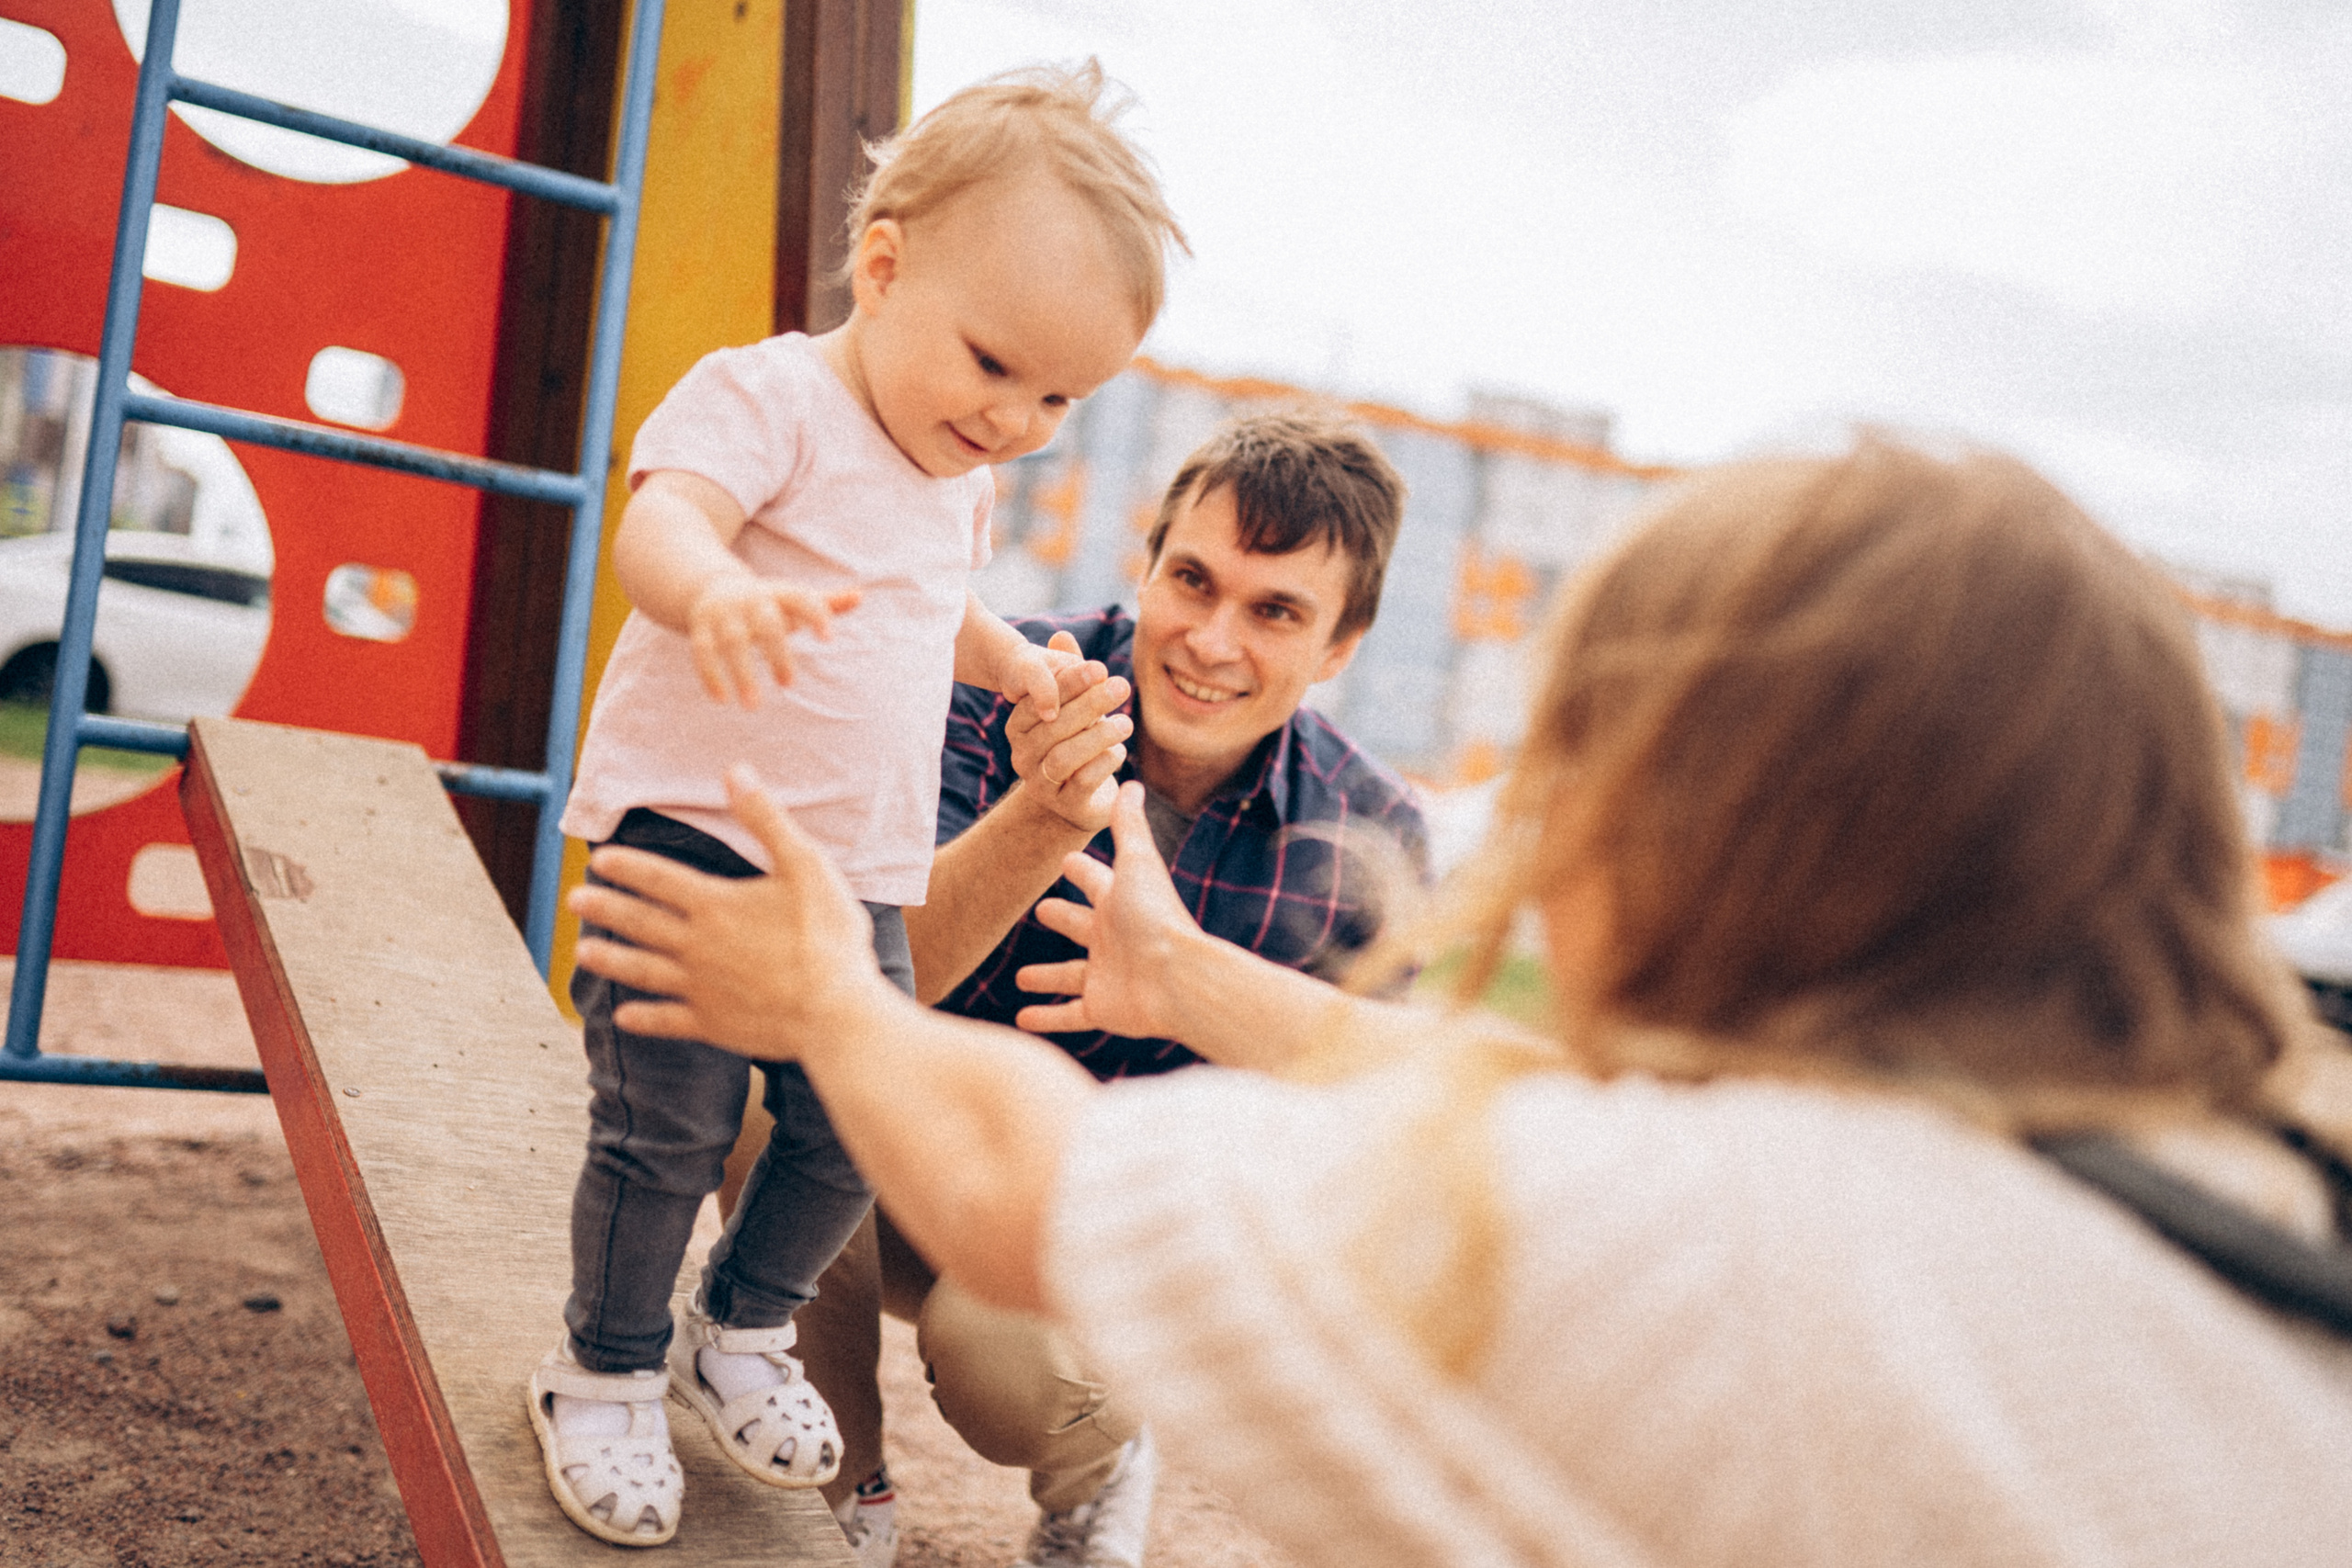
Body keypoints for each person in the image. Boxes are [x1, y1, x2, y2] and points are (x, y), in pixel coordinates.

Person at [570, 434, 2352, 1566]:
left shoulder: (1718, 1240)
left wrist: (828, 990)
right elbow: (1477, 1073)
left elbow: (1022, 1186)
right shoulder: (2267, 1171)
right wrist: (1163, 955)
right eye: (1190, 579)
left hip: (1063, 1210)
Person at [527, 62, 1185, 1548]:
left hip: (861, 874)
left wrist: (1015, 662)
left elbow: (930, 599)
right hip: (696, 831)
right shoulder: (772, 395)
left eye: (1060, 397)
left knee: (856, 1122)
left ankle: (735, 1327)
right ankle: (603, 1368)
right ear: (882, 264)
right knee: (666, 1130)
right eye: (996, 363)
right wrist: (716, 597)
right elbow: (662, 519)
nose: (1017, 418)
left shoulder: (953, 469)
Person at [781, 409, 1428, 1566]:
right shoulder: (990, 689)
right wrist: (1044, 814)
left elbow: (1376, 1134)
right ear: (1148, 564)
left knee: (1010, 1367)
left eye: (1275, 611)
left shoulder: (1373, 835)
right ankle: (839, 1486)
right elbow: (863, 985)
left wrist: (1186, 983)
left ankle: (1096, 1472)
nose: (1211, 640)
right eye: (1194, 580)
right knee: (774, 1077)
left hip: (1107, 1236)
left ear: (1340, 646)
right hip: (899, 1161)